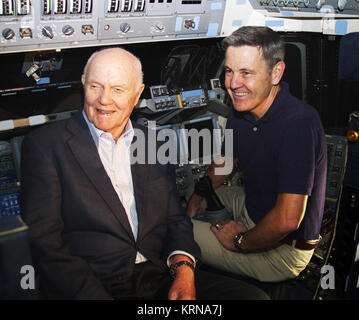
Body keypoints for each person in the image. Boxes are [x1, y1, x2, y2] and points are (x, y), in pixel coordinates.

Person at [21, 47, 270, 300]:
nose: (104, 99)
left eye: (118, 89)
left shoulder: (154, 143)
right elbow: (45, 244)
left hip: (158, 274)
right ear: (83, 85)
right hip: (95, 282)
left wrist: (183, 269)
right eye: (95, 86)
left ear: (137, 94)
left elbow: (175, 218)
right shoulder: (46, 145)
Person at [187, 26, 327, 282]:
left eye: (246, 73)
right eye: (229, 71)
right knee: (182, 199)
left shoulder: (299, 124)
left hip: (284, 251)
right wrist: (197, 196)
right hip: (253, 207)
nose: (233, 84)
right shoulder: (241, 110)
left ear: (276, 72)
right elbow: (226, 162)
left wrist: (239, 240)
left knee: (178, 231)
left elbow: (286, 221)